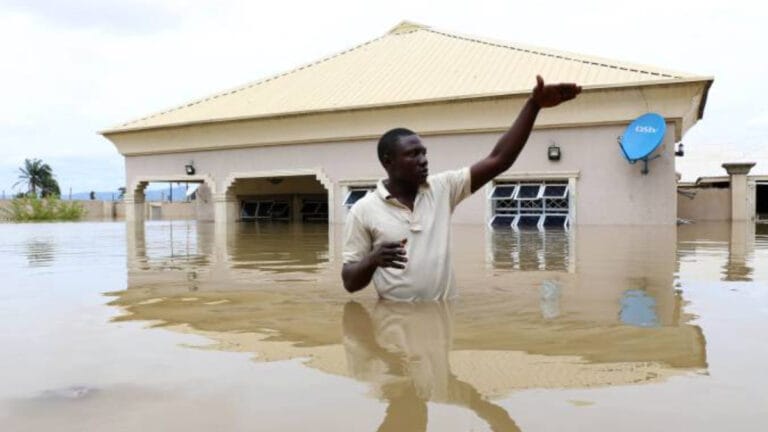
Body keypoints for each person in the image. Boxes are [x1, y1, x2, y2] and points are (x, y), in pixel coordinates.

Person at [342, 76, 581, 300]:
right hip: (393, 322)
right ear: (388, 161)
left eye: (424, 153)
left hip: (441, 321)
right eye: (413, 154)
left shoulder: (442, 188)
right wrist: (372, 260)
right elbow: (350, 282)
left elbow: (499, 160)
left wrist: (534, 106)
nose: (423, 160)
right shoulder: (363, 210)